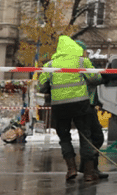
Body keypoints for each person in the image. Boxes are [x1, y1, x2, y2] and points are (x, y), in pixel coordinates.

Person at [37, 35, 108, 181]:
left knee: (64, 137)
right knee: (86, 136)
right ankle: (89, 173)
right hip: (80, 104)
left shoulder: (50, 65)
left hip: (59, 107)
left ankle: (71, 169)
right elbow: (96, 79)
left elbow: (41, 87)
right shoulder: (81, 61)